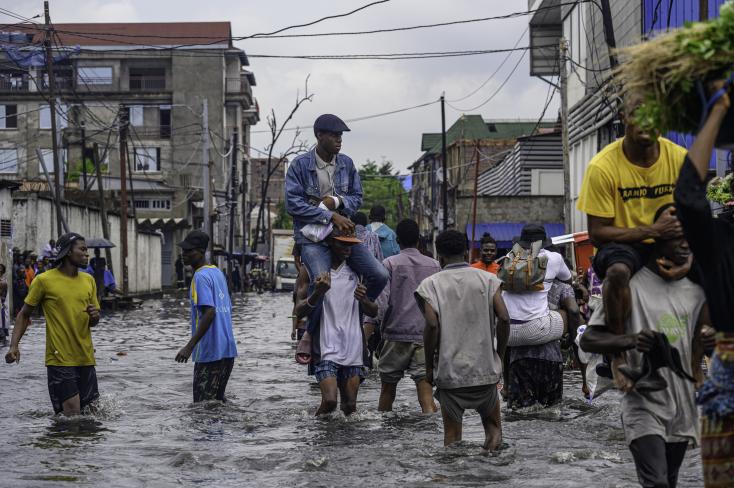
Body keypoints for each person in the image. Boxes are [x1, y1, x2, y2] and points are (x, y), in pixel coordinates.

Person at [580, 204, 711, 488]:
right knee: (657, 483)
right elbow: (589, 339)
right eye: (678, 236)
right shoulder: (631, 285)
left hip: (683, 403)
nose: (686, 243)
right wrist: (628, 341)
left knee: (670, 481)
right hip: (642, 401)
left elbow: (708, 340)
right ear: (658, 240)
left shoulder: (697, 290)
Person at [576, 93, 690, 389]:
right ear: (623, 117)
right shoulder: (602, 167)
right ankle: (617, 353)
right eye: (638, 113)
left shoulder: (678, 158)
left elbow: (696, 220)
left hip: (667, 240)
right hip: (620, 243)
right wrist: (651, 231)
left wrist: (689, 260)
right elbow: (598, 232)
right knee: (617, 272)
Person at [672, 81, 734, 487]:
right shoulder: (721, 241)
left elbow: (689, 196)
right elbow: (689, 198)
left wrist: (716, 110)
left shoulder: (719, 242)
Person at [415, 230, 509, 450]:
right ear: (467, 252)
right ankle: (491, 473)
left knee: (452, 437)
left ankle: (454, 478)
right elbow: (504, 318)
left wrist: (429, 367)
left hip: (450, 373)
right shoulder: (489, 280)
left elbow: (431, 325)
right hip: (485, 371)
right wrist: (499, 356)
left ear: (440, 256)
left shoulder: (430, 285)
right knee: (494, 430)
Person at [285, 113, 388, 303]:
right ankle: (312, 332)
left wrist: (336, 201)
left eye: (341, 135)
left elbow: (357, 198)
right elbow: (292, 204)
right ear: (319, 135)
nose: (339, 140)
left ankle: (356, 312)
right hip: (312, 238)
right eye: (334, 135)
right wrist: (330, 216)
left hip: (343, 236)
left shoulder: (346, 163)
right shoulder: (299, 165)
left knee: (380, 275)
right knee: (321, 284)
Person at [5, 233, 101, 416]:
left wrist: (95, 316)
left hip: (86, 357)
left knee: (92, 415)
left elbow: (93, 322)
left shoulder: (89, 280)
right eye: (82, 249)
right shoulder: (43, 280)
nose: (86, 254)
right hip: (59, 358)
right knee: (72, 415)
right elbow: (24, 315)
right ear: (67, 252)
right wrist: (13, 346)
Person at [294, 227, 377, 416]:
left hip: (354, 346)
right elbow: (298, 310)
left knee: (349, 407)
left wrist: (364, 300)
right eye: (342, 243)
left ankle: (342, 444)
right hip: (325, 347)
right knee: (330, 401)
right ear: (330, 243)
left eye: (351, 244)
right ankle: (316, 433)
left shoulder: (359, 272)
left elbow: (374, 311)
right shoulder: (311, 272)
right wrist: (317, 293)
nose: (348, 248)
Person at [501, 224, 571, 409]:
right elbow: (567, 279)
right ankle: (574, 347)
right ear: (544, 241)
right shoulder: (553, 257)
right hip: (536, 330)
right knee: (567, 310)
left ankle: (506, 385)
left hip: (507, 335)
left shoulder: (510, 258)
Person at [374, 219, 440, 413]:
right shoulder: (435, 266)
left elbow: (381, 305)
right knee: (425, 392)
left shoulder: (389, 264)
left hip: (395, 334)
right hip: (425, 335)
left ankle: (385, 433)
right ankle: (431, 433)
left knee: (387, 391)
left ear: (397, 240)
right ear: (419, 240)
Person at [175, 230, 238, 403]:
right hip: (227, 351)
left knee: (202, 408)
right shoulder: (217, 273)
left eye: (189, 251)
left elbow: (210, 312)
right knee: (217, 403)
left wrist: (189, 347)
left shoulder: (200, 276)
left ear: (201, 251)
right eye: (183, 251)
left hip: (210, 352)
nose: (184, 255)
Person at [0, 263, 7, 346]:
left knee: (2, 320)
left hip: (1, 303)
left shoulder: (4, 282)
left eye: (1, 268)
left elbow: (3, 295)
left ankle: (3, 337)